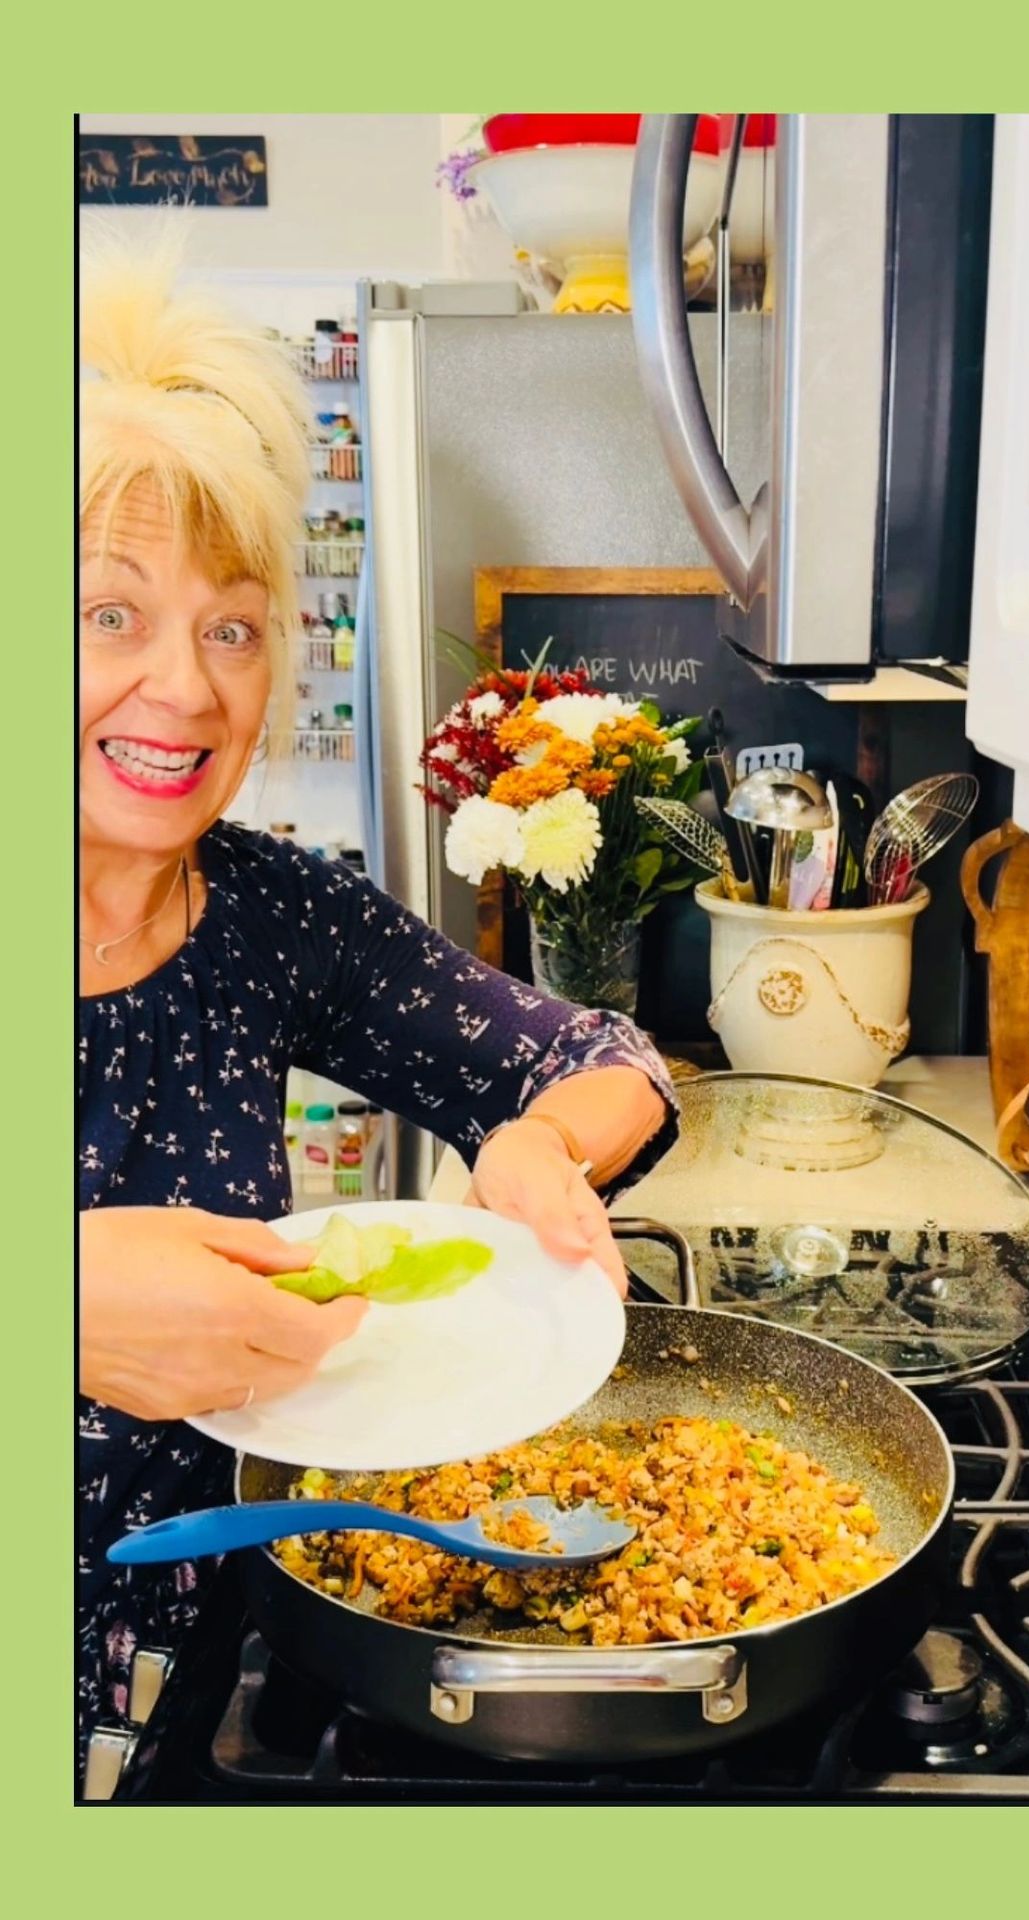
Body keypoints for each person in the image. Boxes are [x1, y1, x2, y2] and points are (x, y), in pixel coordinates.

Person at [77, 239, 676, 1759]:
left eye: (232, 626)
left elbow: (608, 1056)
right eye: (107, 615)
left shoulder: (262, 912)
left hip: (193, 1668)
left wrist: (543, 1143)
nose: (185, 689)